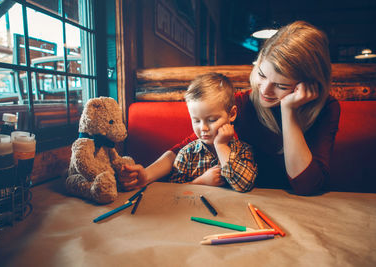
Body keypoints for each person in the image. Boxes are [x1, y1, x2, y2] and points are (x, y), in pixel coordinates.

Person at [121, 21, 340, 195]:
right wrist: (147, 175)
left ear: (309, 84)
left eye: (281, 85)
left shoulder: (327, 109)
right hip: (241, 203)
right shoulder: (241, 103)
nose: (265, 90)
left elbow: (307, 186)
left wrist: (288, 111)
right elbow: (186, 146)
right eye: (261, 75)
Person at [168, 73, 257, 192]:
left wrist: (221, 146)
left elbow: (245, 185)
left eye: (212, 120)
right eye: (196, 121)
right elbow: (172, 191)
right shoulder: (187, 154)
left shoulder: (243, 151)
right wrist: (199, 182)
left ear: (232, 114)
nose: (203, 128)